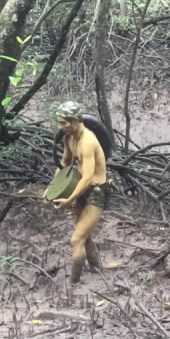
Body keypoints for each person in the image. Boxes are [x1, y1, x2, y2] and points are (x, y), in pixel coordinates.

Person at [50, 102, 109, 283]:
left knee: (76, 239)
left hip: (95, 193)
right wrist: (52, 189)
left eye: (63, 123)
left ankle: (74, 283)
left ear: (75, 120)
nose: (60, 127)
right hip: (81, 191)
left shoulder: (87, 142)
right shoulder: (70, 139)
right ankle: (97, 271)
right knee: (85, 236)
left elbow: (88, 178)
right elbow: (65, 162)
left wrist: (68, 200)